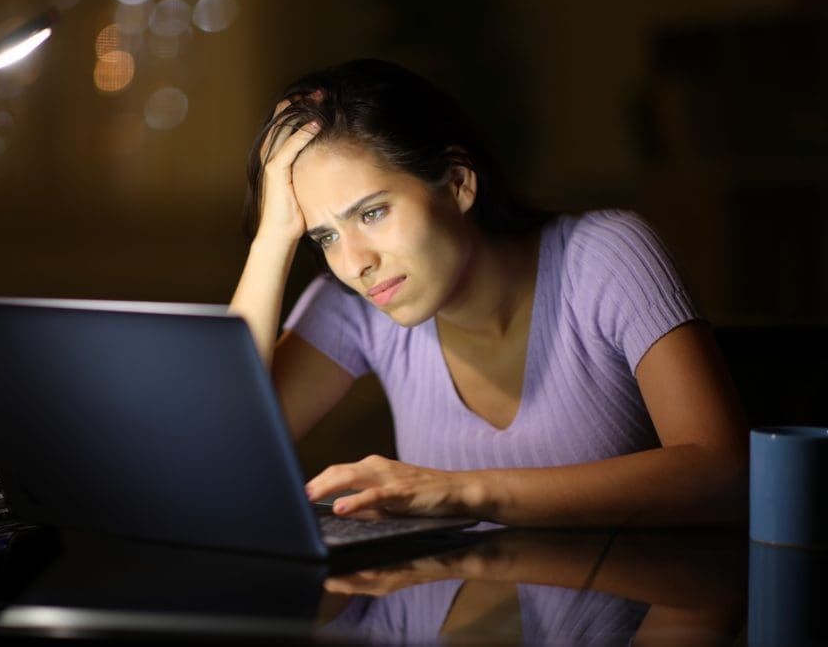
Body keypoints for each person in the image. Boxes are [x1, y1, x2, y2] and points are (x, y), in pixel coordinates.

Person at [229, 58, 747, 527]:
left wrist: (464, 492)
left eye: (373, 213)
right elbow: (220, 455)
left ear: (458, 183)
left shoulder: (605, 258)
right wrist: (273, 238)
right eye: (325, 237)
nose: (354, 263)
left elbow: (724, 472)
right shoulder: (355, 306)